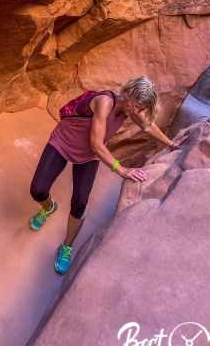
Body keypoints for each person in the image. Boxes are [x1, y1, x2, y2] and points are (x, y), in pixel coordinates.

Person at [28, 76, 181, 275]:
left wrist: (170, 144)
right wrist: (122, 169)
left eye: (141, 108)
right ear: (126, 94)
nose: (137, 111)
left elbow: (147, 125)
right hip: (63, 142)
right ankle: (49, 207)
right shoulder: (104, 102)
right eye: (136, 105)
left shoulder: (130, 108)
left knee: (80, 203)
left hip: (88, 156)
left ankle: (66, 247)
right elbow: (97, 145)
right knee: (38, 190)